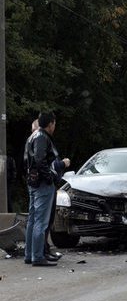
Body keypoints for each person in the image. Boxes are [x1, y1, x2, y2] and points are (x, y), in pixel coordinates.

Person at [23, 112, 70, 266]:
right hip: (42, 184)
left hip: (33, 182)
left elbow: (28, 160)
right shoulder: (42, 137)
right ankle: (37, 256)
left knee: (32, 219)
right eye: (54, 123)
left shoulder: (32, 137)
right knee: (40, 222)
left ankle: (30, 255)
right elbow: (40, 159)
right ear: (50, 124)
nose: (55, 126)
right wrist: (49, 177)